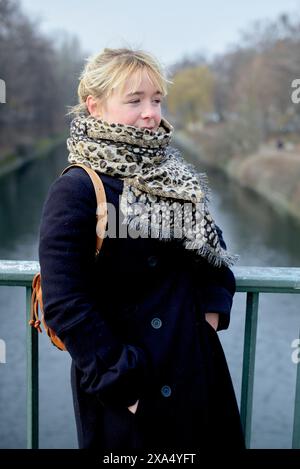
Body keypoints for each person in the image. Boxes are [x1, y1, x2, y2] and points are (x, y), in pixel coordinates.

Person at [39, 47, 245, 451]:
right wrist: (122, 382)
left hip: (193, 368)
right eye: (134, 101)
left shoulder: (175, 176)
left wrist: (211, 314)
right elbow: (65, 302)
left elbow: (212, 254)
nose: (150, 113)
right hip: (129, 389)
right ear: (94, 106)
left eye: (155, 99)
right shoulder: (77, 188)